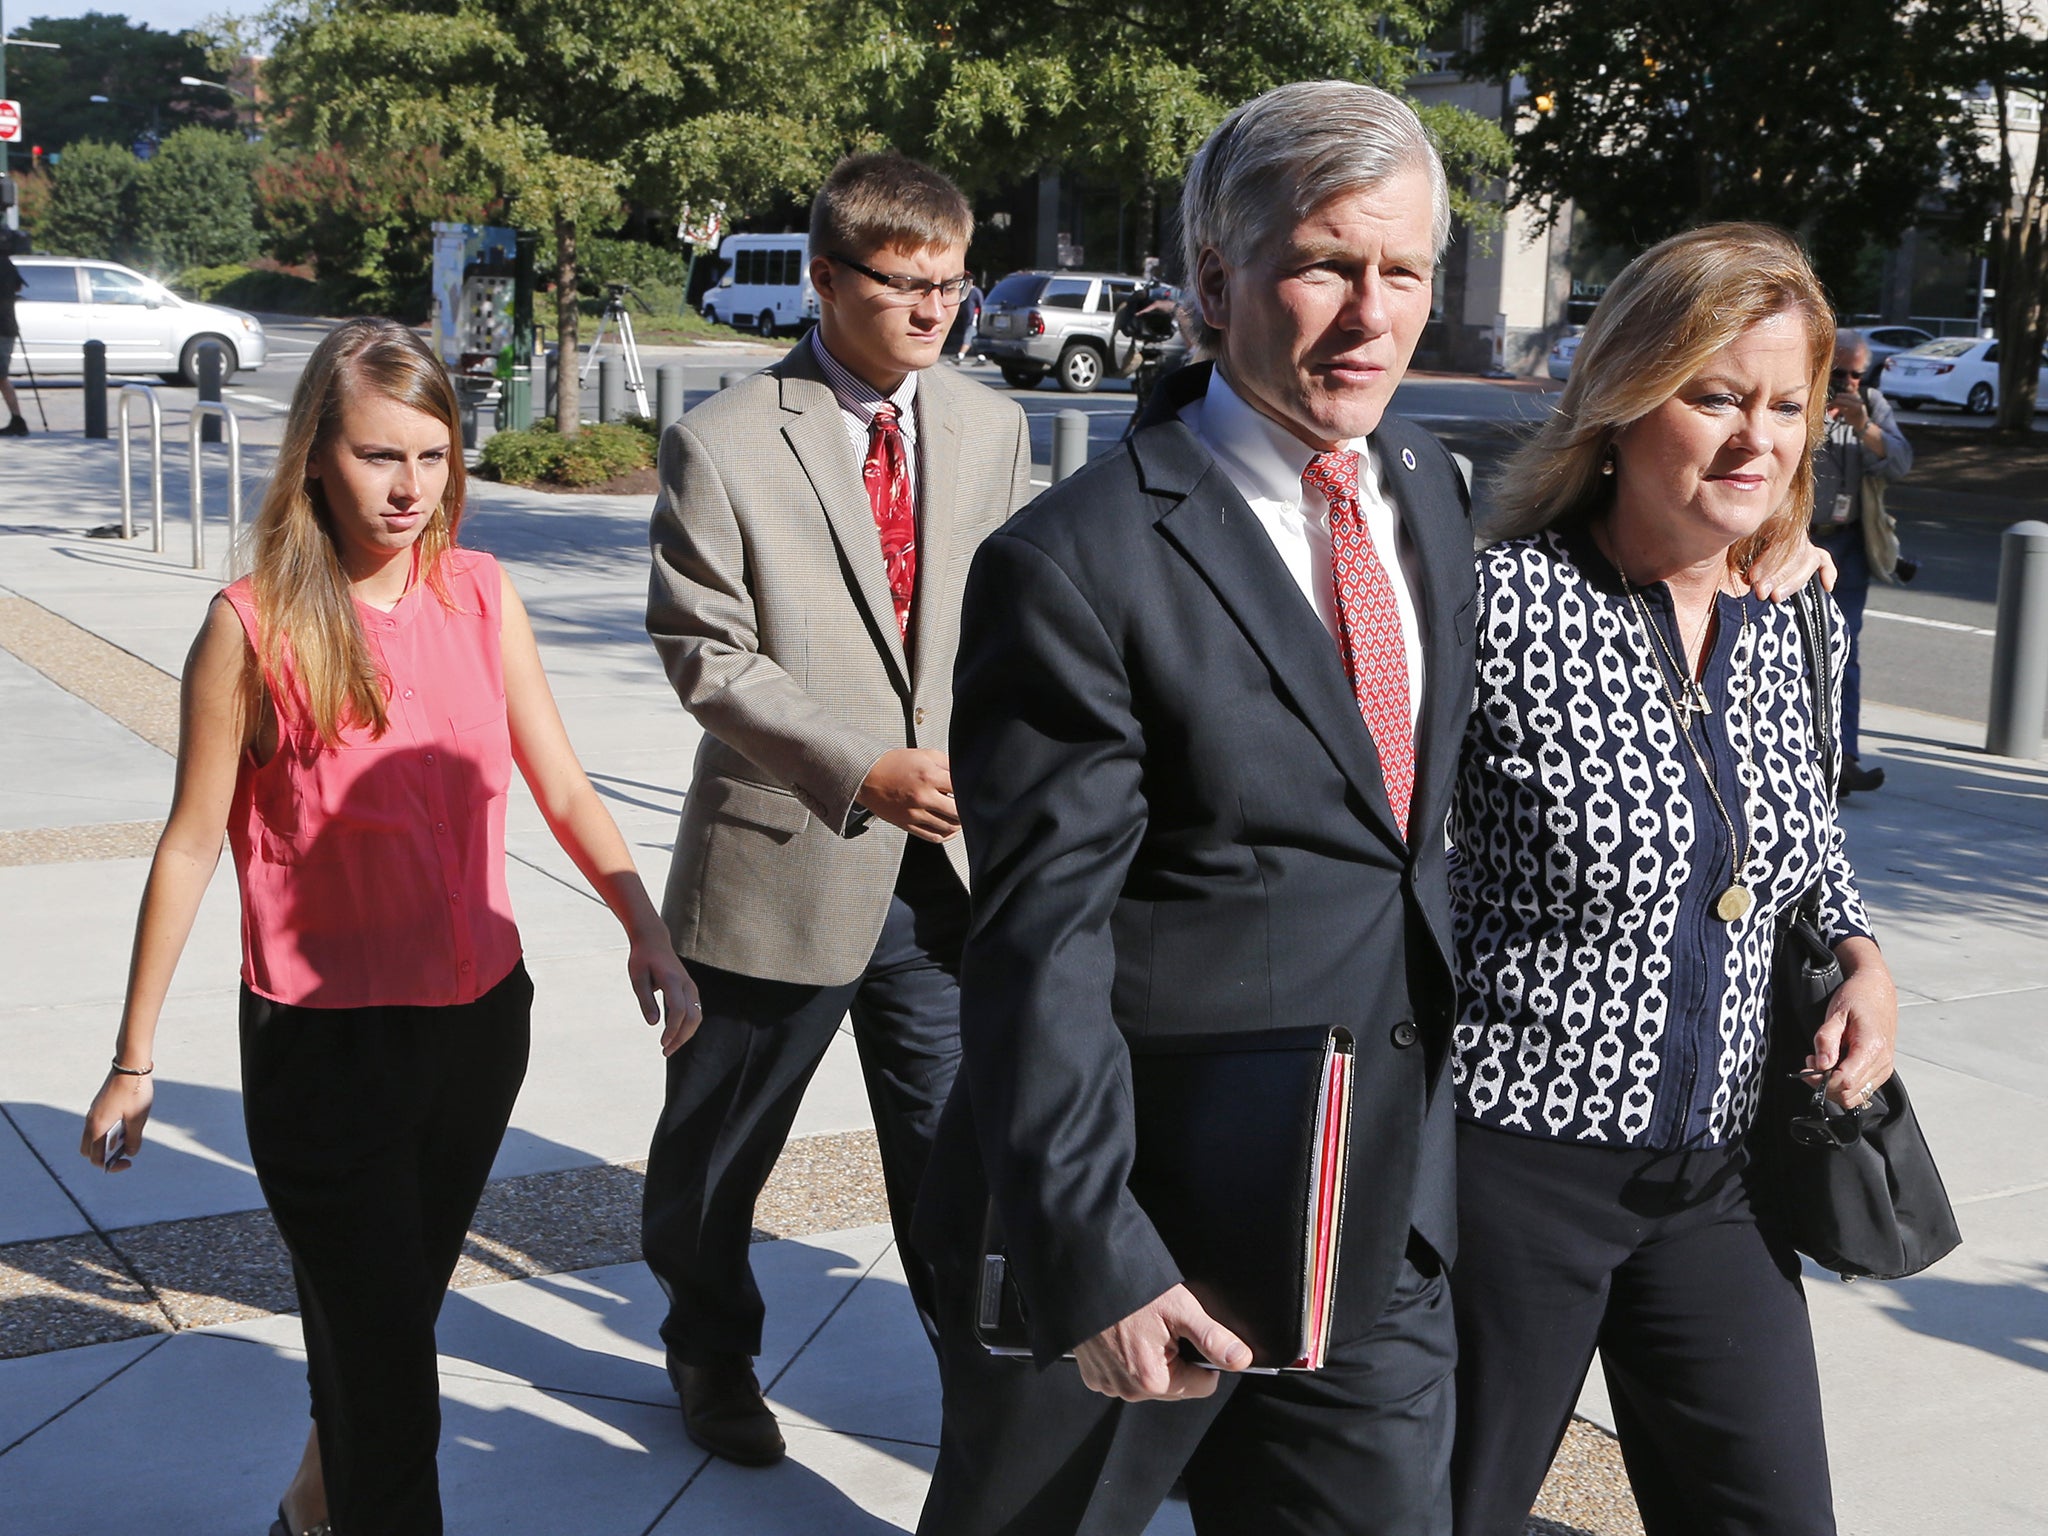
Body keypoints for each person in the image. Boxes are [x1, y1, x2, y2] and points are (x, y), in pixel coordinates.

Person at [914, 80, 1475, 1536]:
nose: (1371, 316)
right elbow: (1041, 945)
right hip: (1149, 1228)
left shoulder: (1427, 484)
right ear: (1215, 283)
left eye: (1402, 272)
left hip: (1377, 1230)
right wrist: (1094, 1255)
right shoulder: (1075, 566)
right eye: (1325, 265)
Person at [78, 317, 699, 1536]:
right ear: (315, 454)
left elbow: (562, 786)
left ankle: (309, 1512)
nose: (410, 488)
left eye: (433, 455)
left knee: (385, 1326)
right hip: (324, 1052)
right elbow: (192, 840)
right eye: (377, 456)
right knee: (390, 1385)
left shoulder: (480, 594)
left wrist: (646, 929)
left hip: (477, 1031)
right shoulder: (249, 626)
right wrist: (133, 1057)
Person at [1447, 224, 1898, 1536]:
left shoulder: (1795, 615)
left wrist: (1862, 953)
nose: (1757, 439)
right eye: (1715, 396)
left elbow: (1806, 838)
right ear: (1627, 398)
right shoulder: (1501, 605)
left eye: (1786, 405)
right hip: (1510, 1172)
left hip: (1718, 1176)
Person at [640, 150, 1032, 1467]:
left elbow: (1018, 621)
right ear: (824, 277)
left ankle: (981, 1396)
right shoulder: (726, 439)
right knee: (716, 1159)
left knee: (953, 1162)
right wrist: (859, 765)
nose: (937, 312)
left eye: (953, 285)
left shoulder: (990, 426)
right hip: (780, 859)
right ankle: (708, 1346)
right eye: (907, 285)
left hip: (944, 884)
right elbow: (705, 650)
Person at [1811, 328, 1911, 793]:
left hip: (1846, 544)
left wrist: (1865, 426)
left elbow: (1901, 460)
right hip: (1799, 540)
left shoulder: (1871, 403)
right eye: (1841, 373)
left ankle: (1843, 758)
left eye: (1859, 373)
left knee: (1843, 648)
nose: (1850, 382)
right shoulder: (1801, 393)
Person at [1, 232, 29, 436]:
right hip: (7, 327)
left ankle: (18, 421)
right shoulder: (8, 264)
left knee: (0, 376)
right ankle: (17, 420)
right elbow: (19, 286)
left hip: (2, 329)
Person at [948, 277, 983, 361]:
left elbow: (981, 304)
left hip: (973, 318)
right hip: (967, 318)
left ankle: (960, 356)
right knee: (973, 338)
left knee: (969, 335)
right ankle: (981, 357)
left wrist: (979, 319)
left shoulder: (976, 291)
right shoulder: (965, 292)